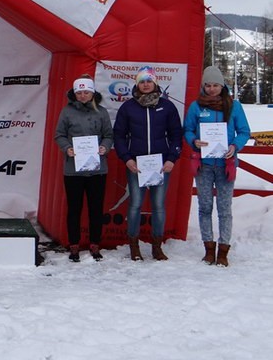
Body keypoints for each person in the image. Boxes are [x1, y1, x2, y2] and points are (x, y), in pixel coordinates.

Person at [113, 66, 182, 261]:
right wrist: (127, 159)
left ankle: (157, 247)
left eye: (149, 81)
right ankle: (134, 246)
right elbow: (119, 135)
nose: (145, 85)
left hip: (161, 164)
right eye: (142, 81)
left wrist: (171, 158)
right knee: (135, 203)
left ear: (155, 83)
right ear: (137, 84)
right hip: (137, 164)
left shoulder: (167, 106)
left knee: (158, 205)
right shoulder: (128, 107)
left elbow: (176, 134)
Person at [183, 65, 250, 267]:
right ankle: (209, 249)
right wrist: (194, 141)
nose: (211, 89)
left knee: (224, 208)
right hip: (203, 165)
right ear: (203, 86)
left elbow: (244, 131)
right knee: (204, 207)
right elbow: (188, 130)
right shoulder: (196, 107)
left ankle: (223, 250)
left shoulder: (234, 106)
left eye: (215, 85)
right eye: (208, 85)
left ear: (222, 86)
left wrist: (234, 146)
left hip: (225, 164)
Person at [54, 75, 114, 262]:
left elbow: (108, 135)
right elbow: (59, 135)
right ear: (74, 94)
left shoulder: (101, 112)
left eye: (86, 92)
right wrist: (67, 148)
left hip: (97, 169)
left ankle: (95, 244)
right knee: (74, 208)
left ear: (92, 93)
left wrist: (104, 147)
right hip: (73, 170)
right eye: (79, 93)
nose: (82, 96)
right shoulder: (67, 112)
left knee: (96, 208)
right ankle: (74, 245)